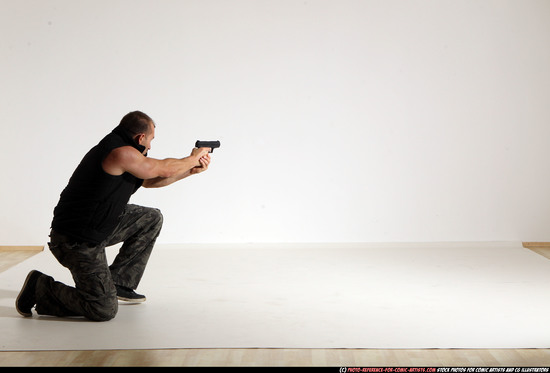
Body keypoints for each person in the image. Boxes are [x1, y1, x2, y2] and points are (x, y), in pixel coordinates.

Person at [15, 111, 213, 321]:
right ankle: (40, 287)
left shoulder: (128, 153)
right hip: (76, 241)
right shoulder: (119, 153)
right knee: (103, 309)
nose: (150, 146)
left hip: (101, 224)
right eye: (151, 140)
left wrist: (189, 171)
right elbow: (161, 169)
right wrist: (192, 158)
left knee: (151, 218)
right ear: (140, 137)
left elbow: (150, 179)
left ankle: (119, 283)